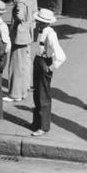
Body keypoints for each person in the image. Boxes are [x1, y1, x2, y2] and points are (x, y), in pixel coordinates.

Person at [30, 9, 65, 137]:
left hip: (45, 62)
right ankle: (37, 122)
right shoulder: (41, 31)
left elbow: (61, 55)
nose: (37, 22)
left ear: (45, 23)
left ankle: (44, 126)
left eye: (39, 21)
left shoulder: (51, 34)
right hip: (38, 61)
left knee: (43, 96)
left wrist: (51, 67)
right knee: (37, 93)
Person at [6, 0, 37, 103]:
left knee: (16, 64)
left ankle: (15, 93)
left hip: (20, 34)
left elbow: (19, 15)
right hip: (29, 32)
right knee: (25, 63)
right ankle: (24, 90)